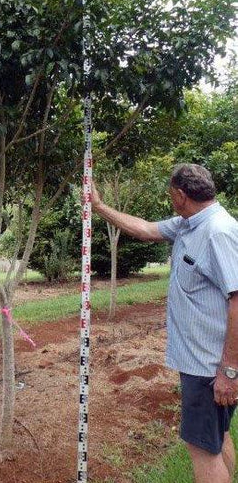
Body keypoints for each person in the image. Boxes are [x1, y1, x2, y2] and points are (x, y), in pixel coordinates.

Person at [91, 163, 238, 483]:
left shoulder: (218, 231)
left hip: (208, 367)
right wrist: (99, 207)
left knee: (203, 451)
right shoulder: (189, 223)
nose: (170, 200)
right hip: (204, 364)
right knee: (218, 437)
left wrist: (229, 370)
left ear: (182, 195)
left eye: (172, 195)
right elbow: (145, 229)